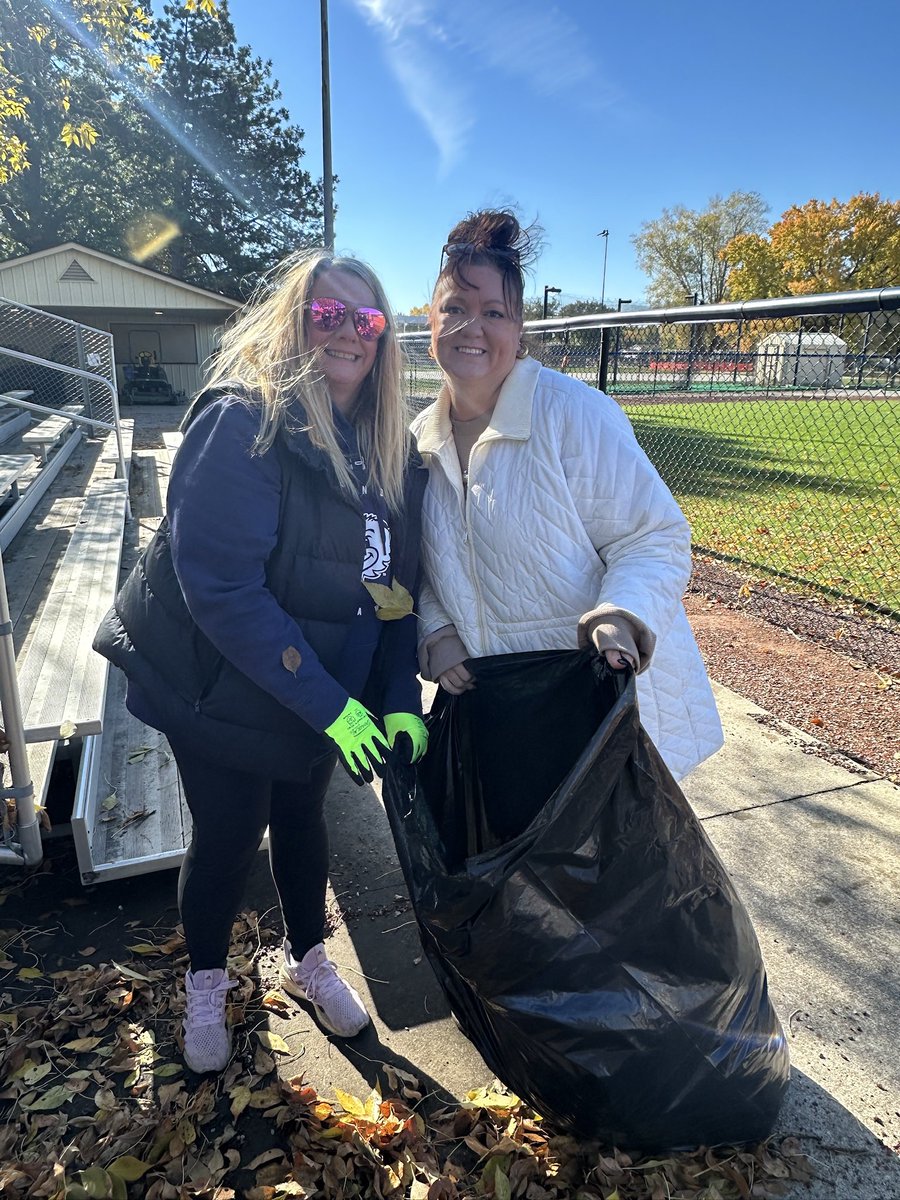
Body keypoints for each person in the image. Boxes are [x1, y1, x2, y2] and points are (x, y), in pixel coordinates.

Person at [94, 249, 427, 1073]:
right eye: (327, 315)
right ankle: (207, 979)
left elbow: (391, 595)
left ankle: (308, 958)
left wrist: (393, 700)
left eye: (367, 320)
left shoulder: (384, 446)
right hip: (214, 679)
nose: (348, 332)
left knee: (303, 816)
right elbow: (225, 594)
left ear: (384, 339)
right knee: (231, 832)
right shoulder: (244, 421)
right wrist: (331, 706)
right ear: (295, 321)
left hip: (309, 686)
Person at [413, 209, 723, 789]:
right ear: (429, 321)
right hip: (507, 716)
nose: (470, 327)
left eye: (493, 312)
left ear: (520, 328)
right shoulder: (416, 444)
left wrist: (620, 615)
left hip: (602, 717)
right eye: (454, 308)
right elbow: (415, 563)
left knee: (607, 877)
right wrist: (434, 631)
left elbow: (652, 534)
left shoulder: (574, 414)